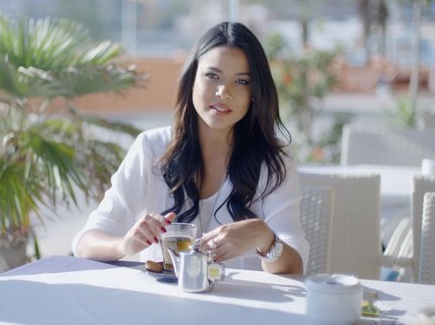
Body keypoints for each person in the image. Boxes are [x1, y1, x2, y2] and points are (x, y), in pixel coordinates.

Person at [71, 22, 309, 274]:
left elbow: (294, 266)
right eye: (212, 75)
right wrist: (125, 245)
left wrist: (265, 239)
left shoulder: (274, 160)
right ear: (192, 79)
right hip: (162, 306)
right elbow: (85, 242)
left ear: (255, 93)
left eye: (241, 81)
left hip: (241, 309)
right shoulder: (151, 147)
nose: (223, 92)